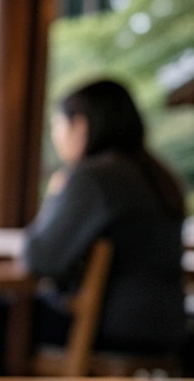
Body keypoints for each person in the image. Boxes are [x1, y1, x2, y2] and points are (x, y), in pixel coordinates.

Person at [24, 78, 186, 357]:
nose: (55, 136)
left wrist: (54, 195)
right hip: (166, 324)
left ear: (80, 126)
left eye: (57, 125)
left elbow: (40, 258)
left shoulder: (94, 177)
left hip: (108, 326)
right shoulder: (155, 175)